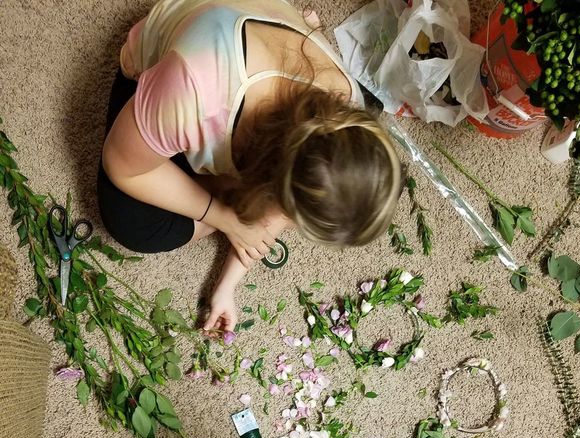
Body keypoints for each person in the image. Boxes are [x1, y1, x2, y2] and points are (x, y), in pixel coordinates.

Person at [99, 0, 402, 332]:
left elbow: (276, 212)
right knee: (133, 223)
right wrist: (225, 217)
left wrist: (227, 286)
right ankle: (203, 183)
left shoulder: (347, 105)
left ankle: (205, 184)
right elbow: (121, 165)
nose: (283, 221)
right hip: (182, 64)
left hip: (235, 45)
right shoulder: (196, 87)